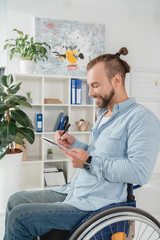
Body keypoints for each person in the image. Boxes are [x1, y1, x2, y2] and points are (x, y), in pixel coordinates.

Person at [3, 47, 160, 240]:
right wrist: (75, 144)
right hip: (75, 191)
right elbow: (99, 154)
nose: (91, 93)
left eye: (95, 85)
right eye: (89, 86)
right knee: (14, 200)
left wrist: (88, 162)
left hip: (96, 204)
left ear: (116, 80)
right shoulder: (104, 114)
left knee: (20, 217)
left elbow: (140, 172)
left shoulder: (141, 119)